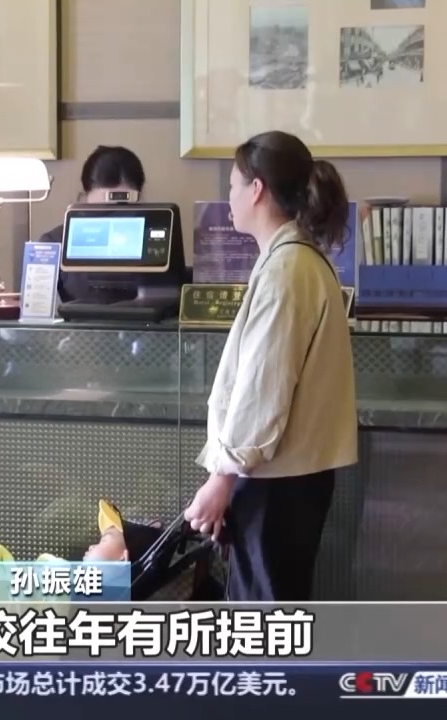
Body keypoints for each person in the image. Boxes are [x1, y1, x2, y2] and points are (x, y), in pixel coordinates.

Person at [181, 130, 358, 602]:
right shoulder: (292, 260)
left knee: (263, 617)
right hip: (283, 478)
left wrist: (222, 479)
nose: (229, 198)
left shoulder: (287, 270)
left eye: (233, 186)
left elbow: (263, 391)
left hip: (277, 482)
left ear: (257, 189)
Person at [37, 146, 187, 302]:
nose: (112, 218)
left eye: (122, 208)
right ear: (83, 198)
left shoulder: (157, 242)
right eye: (101, 210)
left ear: (139, 199)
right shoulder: (53, 243)